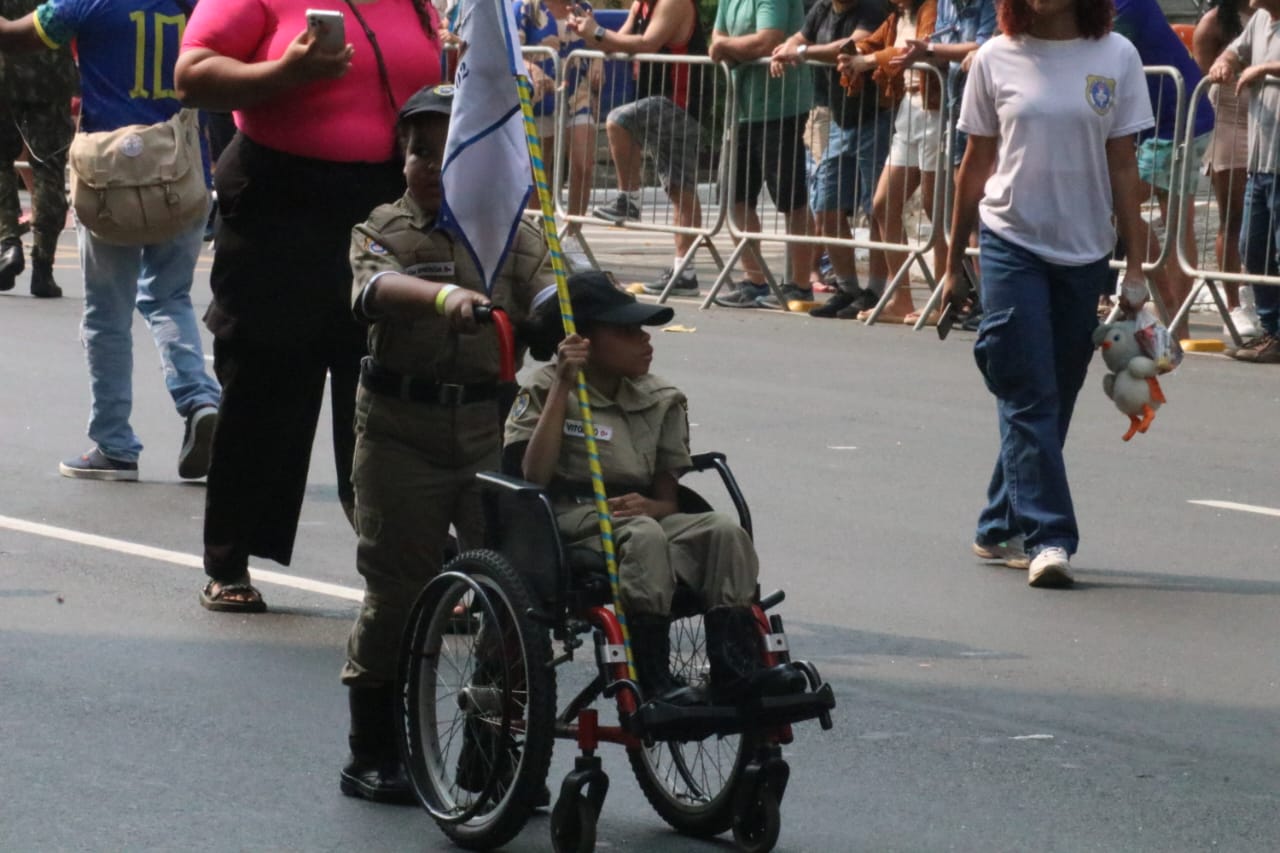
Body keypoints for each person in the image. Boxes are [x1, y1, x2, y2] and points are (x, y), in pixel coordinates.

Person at [176, 0, 442, 611]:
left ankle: (401, 564)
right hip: (280, 200)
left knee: (384, 387)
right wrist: (283, 74)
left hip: (381, 204)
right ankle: (229, 560)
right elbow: (191, 77)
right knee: (265, 376)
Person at [338, 84, 550, 804]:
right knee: (395, 593)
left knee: (509, 597)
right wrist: (442, 298)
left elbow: (549, 298)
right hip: (402, 431)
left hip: (487, 430)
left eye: (444, 149)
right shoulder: (383, 227)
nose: (426, 163)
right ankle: (373, 750)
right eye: (416, 148)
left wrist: (577, 309)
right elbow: (372, 289)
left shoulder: (513, 236)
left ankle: (491, 753)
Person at [507, 270, 806, 702]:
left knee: (724, 532)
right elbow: (532, 477)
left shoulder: (662, 397)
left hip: (641, 517)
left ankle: (736, 671)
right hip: (565, 519)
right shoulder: (543, 388)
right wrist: (563, 385)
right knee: (644, 537)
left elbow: (668, 500)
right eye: (627, 332)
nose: (645, 341)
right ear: (583, 339)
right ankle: (654, 681)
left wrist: (652, 506)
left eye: (643, 331)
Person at [940, 0, 1154, 587]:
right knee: (1028, 388)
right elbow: (974, 163)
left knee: (1052, 394)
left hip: (1085, 252)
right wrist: (952, 256)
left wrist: (1134, 267)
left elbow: (1124, 167)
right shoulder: (993, 57)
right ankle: (1050, 537)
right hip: (1012, 243)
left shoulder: (1117, 56)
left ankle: (995, 524)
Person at [0, 0, 222, 482]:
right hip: (184, 172)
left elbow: (13, 36)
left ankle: (115, 445)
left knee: (106, 316)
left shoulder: (85, 3)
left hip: (110, 179)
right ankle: (200, 400)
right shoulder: (203, 6)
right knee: (169, 297)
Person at [571, 0, 712, 299]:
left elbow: (646, 44)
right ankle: (684, 272)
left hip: (681, 104)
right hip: (658, 102)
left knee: (619, 120)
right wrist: (586, 31)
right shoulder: (641, 5)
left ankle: (629, 199)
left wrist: (597, 32)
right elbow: (617, 44)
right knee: (679, 189)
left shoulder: (673, 3)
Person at [771, 0, 893, 320]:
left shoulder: (872, 8)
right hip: (841, 119)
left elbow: (849, 46)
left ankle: (876, 290)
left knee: (876, 208)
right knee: (825, 205)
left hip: (875, 117)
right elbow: (800, 36)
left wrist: (799, 53)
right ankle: (848, 287)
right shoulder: (824, 8)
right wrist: (787, 47)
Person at [837, 0, 945, 324]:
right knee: (883, 203)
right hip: (908, 110)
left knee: (933, 206)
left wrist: (867, 60)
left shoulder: (930, 8)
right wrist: (850, 53)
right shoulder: (898, 16)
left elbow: (917, 49)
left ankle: (943, 300)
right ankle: (901, 298)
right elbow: (871, 43)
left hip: (935, 109)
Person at [1114, 0, 1215, 339]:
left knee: (1168, 213)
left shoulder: (1128, 4)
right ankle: (1168, 299)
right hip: (1155, 120)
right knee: (1121, 203)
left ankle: (1176, 316)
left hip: (1180, 116)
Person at [710, 0, 819, 309]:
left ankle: (799, 285)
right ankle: (755, 281)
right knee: (733, 197)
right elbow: (715, 41)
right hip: (741, 109)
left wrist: (728, 48)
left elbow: (767, 39)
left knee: (790, 198)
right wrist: (732, 47)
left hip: (780, 106)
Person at [1209, 0, 1280, 363]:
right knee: (1253, 248)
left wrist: (1264, 68)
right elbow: (1233, 51)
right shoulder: (1260, 21)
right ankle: (1273, 331)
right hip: (1260, 163)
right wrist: (1225, 63)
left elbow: (1256, 64)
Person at [1194, 0, 1260, 339]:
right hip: (1232, 124)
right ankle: (1234, 306)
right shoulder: (1214, 23)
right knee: (1232, 220)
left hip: (1268, 124)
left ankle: (1264, 298)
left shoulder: (1270, 17)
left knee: (1267, 222)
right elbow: (1203, 80)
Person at [0, 0, 75, 298]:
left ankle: (7, 243)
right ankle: (43, 267)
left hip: (4, 68)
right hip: (52, 74)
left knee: (1, 162)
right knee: (49, 167)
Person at [516, 0, 596, 218]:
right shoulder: (525, 8)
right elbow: (513, 52)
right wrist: (530, 67)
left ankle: (573, 235)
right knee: (540, 172)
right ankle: (540, 234)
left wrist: (598, 63)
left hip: (577, 94)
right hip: (541, 98)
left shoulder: (582, 7)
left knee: (584, 164)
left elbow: (596, 41)